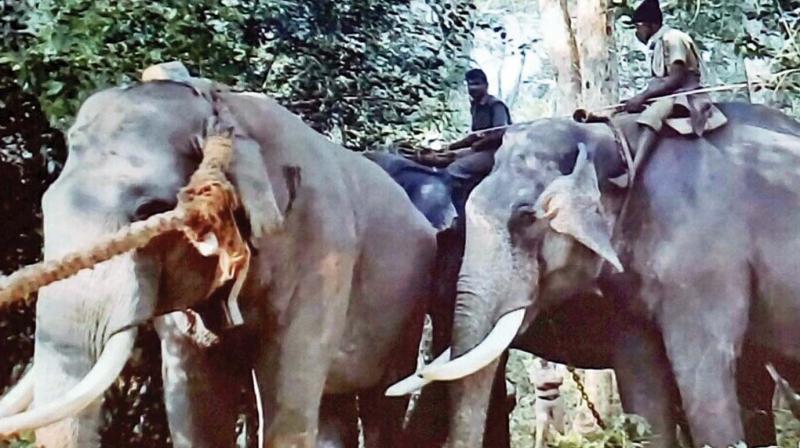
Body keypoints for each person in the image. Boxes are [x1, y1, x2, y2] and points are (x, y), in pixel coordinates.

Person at [623, 0, 726, 174]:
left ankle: (634, 173)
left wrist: (642, 97)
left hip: (682, 94)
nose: (637, 32)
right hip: (667, 93)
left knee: (650, 117)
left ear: (652, 24)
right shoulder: (659, 43)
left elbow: (675, 79)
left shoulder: (673, 38)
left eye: (638, 26)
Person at [444, 68, 512, 183]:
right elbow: (475, 135)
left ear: (486, 85)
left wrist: (479, 144)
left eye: (476, 84)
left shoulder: (495, 105)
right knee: (446, 158)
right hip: (480, 149)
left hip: (497, 153)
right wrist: (451, 147)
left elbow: (501, 133)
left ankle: (459, 200)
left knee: (455, 168)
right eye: (470, 85)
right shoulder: (475, 107)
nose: (472, 88)